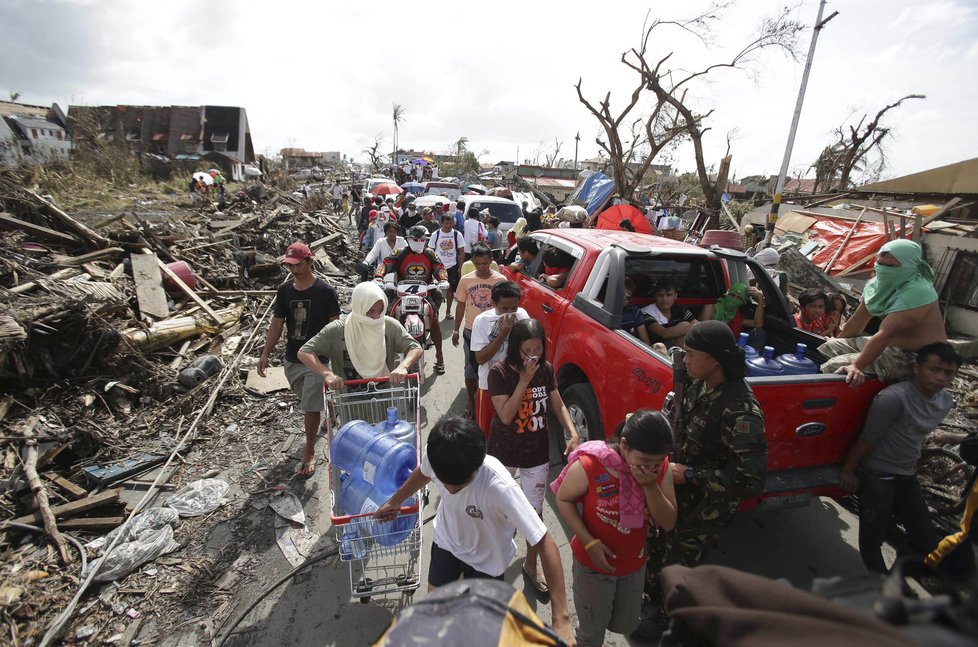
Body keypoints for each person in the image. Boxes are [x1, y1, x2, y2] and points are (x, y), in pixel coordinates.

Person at [375, 417, 576, 646]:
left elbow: (544, 541)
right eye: (446, 482)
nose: (451, 489)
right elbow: (423, 472)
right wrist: (395, 501)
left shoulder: (500, 486)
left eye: (460, 484)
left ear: (477, 465)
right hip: (446, 544)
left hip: (487, 563)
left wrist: (561, 618)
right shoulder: (437, 454)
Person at [636, 320, 766, 640]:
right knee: (657, 542)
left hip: (707, 503)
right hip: (677, 487)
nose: (687, 360)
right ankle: (651, 596)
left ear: (715, 360)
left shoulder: (741, 410)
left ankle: (670, 620)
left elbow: (750, 481)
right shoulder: (698, 384)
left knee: (682, 561)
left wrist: (692, 474)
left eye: (692, 354)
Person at [553, 410, 678, 647]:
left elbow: (669, 521)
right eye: (644, 462)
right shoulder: (591, 465)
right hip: (593, 568)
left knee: (626, 623)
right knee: (591, 634)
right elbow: (563, 499)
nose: (650, 468)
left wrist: (650, 486)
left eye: (656, 462)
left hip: (633, 565)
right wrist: (589, 542)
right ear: (624, 445)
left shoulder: (659, 470)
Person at [839, 342, 961, 573]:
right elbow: (868, 439)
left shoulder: (945, 402)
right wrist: (848, 471)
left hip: (906, 473)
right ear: (917, 367)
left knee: (925, 540)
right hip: (878, 474)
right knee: (872, 540)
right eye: (934, 370)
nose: (941, 378)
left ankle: (895, 576)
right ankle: (883, 585)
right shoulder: (893, 398)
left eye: (948, 373)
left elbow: (916, 436)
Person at [486, 318, 581, 595]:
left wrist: (571, 432)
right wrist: (524, 380)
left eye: (538, 348)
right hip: (504, 452)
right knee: (498, 509)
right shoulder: (499, 372)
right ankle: (495, 559)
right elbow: (505, 415)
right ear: (516, 348)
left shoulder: (546, 369)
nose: (533, 355)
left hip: (536, 453)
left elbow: (558, 402)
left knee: (533, 513)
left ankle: (530, 563)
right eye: (527, 350)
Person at [257, 242, 341, 478]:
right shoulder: (285, 291)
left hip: (318, 359)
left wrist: (336, 358)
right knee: (307, 398)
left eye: (298, 265)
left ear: (309, 262)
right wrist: (265, 354)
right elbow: (277, 323)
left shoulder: (326, 292)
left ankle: (309, 452)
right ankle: (331, 406)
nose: (293, 270)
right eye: (290, 266)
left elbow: (335, 328)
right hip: (293, 359)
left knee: (310, 408)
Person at [820, 240, 948, 387]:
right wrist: (838, 340)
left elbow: (886, 333)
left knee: (835, 366)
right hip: (888, 344)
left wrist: (856, 366)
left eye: (891, 266)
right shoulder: (877, 285)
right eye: (880, 264)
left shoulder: (918, 291)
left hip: (917, 356)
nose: (884, 270)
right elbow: (856, 323)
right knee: (828, 347)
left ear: (911, 267)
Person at [297, 281, 422, 391]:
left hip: (384, 397)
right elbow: (304, 352)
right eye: (370, 311)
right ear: (359, 307)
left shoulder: (389, 325)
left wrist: (403, 366)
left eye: (380, 311)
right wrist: (327, 374)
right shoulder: (337, 330)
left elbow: (415, 348)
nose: (376, 317)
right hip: (349, 401)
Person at [377, 226, 448, 375]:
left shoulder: (430, 254)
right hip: (401, 293)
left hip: (425, 292)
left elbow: (440, 267)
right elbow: (385, 263)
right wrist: (379, 276)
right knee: (387, 318)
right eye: (416, 239)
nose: (419, 242)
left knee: (434, 320)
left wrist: (443, 279)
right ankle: (384, 357)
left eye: (422, 239)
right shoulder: (400, 253)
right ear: (409, 239)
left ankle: (440, 358)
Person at [453, 243, 507, 418]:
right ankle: (471, 401)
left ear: (492, 260)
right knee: (470, 368)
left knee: (496, 365)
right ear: (473, 262)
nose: (482, 267)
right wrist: (455, 330)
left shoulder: (500, 281)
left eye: (485, 263)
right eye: (478, 263)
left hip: (496, 329)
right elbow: (461, 305)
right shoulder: (466, 280)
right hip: (471, 330)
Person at [470, 281, 530, 435]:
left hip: (517, 383)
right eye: (505, 308)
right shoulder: (482, 321)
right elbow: (480, 359)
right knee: (488, 431)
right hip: (490, 385)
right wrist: (503, 334)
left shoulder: (522, 315)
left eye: (514, 307)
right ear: (494, 303)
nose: (510, 312)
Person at [700, 282, 767, 350]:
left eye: (739, 298)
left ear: (743, 302)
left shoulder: (736, 315)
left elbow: (758, 324)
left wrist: (760, 298)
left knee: (760, 333)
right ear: (727, 294)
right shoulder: (710, 308)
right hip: (710, 345)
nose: (734, 299)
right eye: (732, 295)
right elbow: (702, 333)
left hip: (729, 346)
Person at [428, 211, 465, 320]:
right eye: (446, 224)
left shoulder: (457, 234)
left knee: (450, 289)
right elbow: (430, 251)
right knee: (434, 288)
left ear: (453, 223)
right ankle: (433, 311)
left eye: (450, 224)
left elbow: (461, 251)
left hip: (452, 265)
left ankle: (448, 311)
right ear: (441, 223)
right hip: (438, 267)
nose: (448, 226)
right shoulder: (436, 234)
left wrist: (460, 266)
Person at [640, 279, 698, 347]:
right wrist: (691, 327)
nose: (664, 299)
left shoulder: (680, 309)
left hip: (677, 346)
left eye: (669, 295)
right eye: (660, 295)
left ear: (675, 296)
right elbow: (664, 333)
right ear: (654, 296)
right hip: (656, 351)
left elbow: (697, 323)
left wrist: (691, 326)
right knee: (685, 325)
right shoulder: (646, 312)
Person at [621, 277, 651, 345]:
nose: (624, 298)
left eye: (628, 297)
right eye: (621, 294)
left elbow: (645, 341)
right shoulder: (601, 309)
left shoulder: (634, 311)